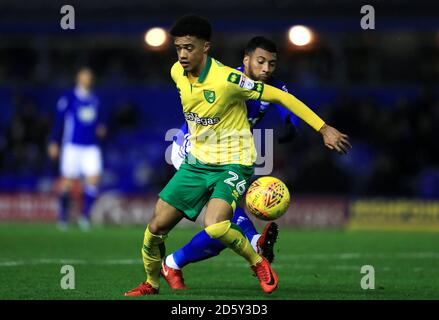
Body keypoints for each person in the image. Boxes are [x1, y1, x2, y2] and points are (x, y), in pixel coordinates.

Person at [125, 15, 351, 296]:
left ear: (205, 47)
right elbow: (197, 111)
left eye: (189, 48)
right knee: (160, 227)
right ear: (246, 59)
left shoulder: (235, 81)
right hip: (193, 156)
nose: (183, 54)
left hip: (234, 160)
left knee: (217, 225)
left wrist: (319, 128)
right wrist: (185, 141)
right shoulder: (183, 73)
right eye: (179, 47)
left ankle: (253, 254)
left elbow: (283, 100)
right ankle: (161, 274)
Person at [162, 36, 298, 290]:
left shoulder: (273, 86)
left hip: (227, 155)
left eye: (272, 64)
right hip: (194, 149)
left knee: (220, 234)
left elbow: (287, 104)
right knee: (222, 214)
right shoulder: (228, 79)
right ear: (246, 61)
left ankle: (172, 262)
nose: (266, 69)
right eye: (260, 62)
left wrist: (291, 124)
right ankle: (255, 240)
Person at [48, 67, 106, 231]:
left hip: (91, 147)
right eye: (84, 77)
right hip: (72, 146)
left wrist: (102, 128)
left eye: (89, 77)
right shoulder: (68, 98)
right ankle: (63, 216)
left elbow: (100, 121)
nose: (87, 80)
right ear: (78, 79)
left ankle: (84, 215)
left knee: (94, 180)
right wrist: (54, 141)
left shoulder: (95, 99)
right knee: (66, 183)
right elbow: (59, 122)